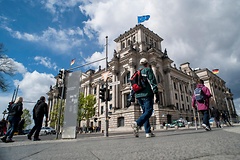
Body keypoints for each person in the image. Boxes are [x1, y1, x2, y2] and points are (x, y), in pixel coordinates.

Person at [131, 58, 160, 138]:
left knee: (145, 113)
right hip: (147, 94)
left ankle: (148, 132)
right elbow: (153, 81)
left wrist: (132, 96)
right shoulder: (148, 70)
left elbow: (132, 85)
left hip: (138, 96)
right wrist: (156, 93)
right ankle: (137, 123)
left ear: (140, 64)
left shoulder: (137, 72)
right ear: (147, 63)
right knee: (149, 111)